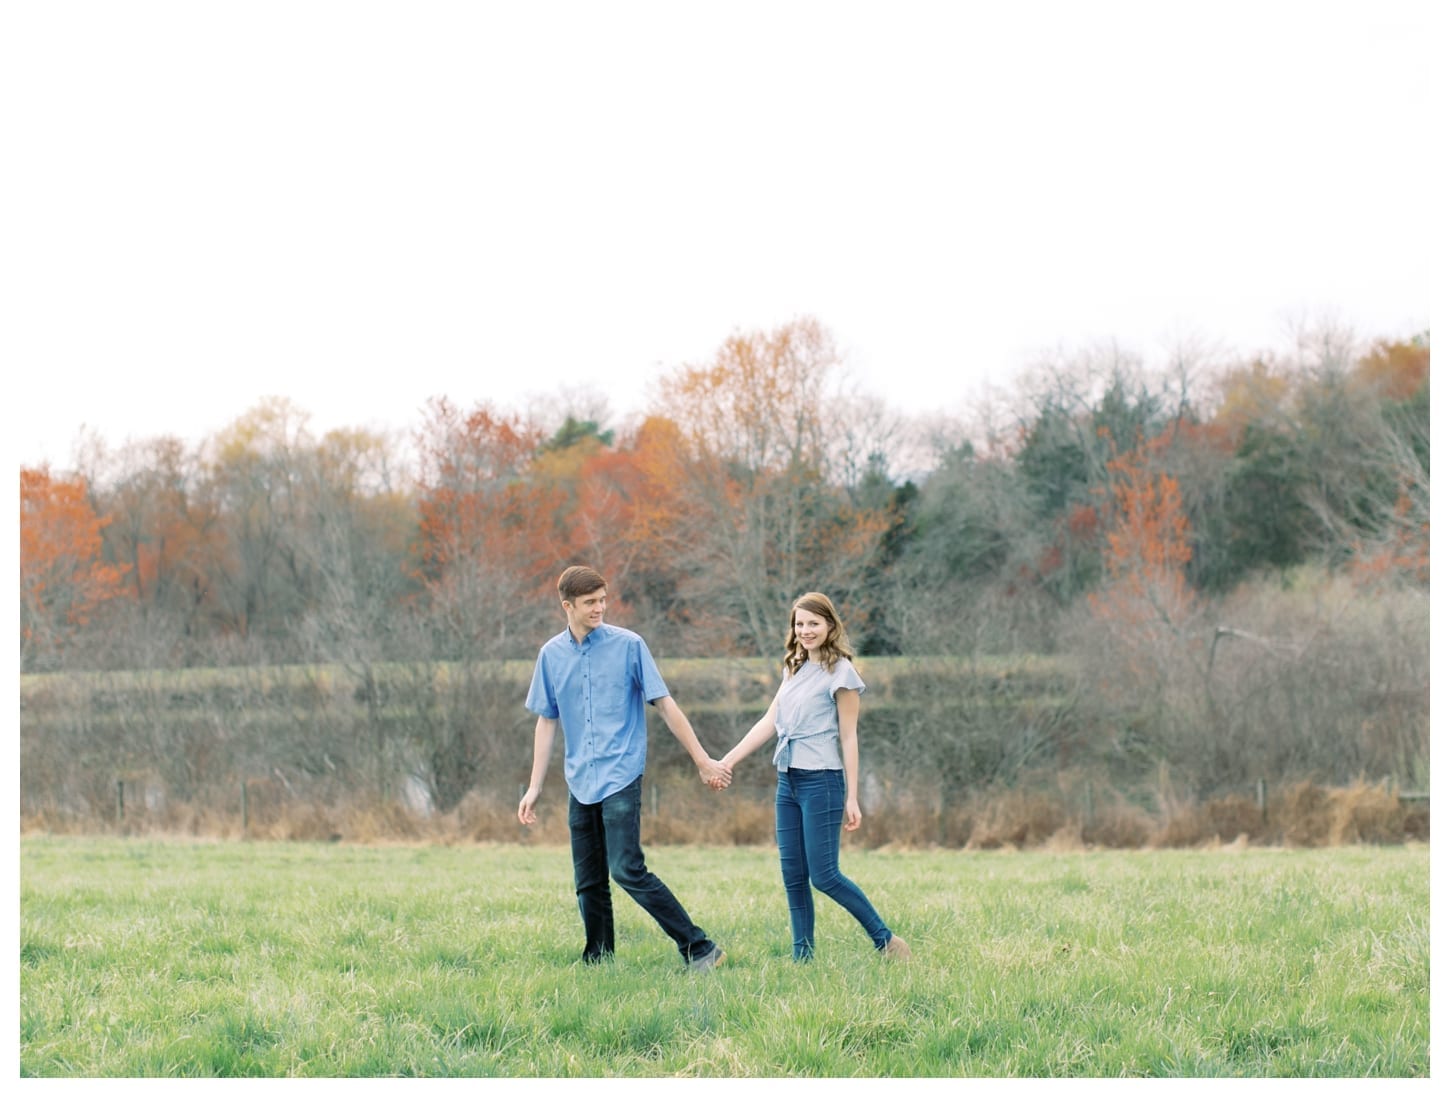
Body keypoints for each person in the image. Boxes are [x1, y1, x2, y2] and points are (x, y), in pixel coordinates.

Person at [519, 565, 729, 972]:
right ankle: (598, 958)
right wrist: (534, 787)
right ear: (568, 606)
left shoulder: (630, 646)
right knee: (589, 879)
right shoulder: (551, 655)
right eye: (590, 602)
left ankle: (699, 948)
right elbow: (547, 720)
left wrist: (703, 761)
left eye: (602, 600)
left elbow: (665, 705)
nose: (600, 607)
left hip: (621, 773)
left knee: (626, 869)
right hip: (580, 778)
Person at [717, 592, 910, 963]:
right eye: (799, 623)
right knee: (793, 875)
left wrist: (853, 796)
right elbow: (770, 721)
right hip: (787, 780)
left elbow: (849, 736)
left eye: (813, 623)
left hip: (822, 781)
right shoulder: (793, 667)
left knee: (824, 876)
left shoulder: (843, 674)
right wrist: (728, 760)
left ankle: (887, 942)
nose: (805, 630)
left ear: (830, 626)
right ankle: (802, 959)